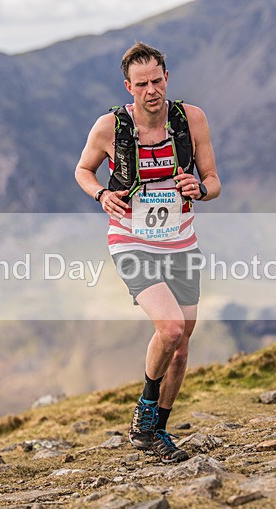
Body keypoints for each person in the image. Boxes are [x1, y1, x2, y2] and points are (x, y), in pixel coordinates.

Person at [74, 42, 220, 463]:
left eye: (157, 80)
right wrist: (101, 193)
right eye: (142, 84)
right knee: (171, 328)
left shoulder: (192, 120)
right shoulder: (110, 127)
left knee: (182, 346)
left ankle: (156, 430)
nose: (151, 90)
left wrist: (201, 188)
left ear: (167, 78)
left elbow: (212, 179)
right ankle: (144, 411)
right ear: (128, 87)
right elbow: (82, 169)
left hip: (181, 241)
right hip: (131, 239)